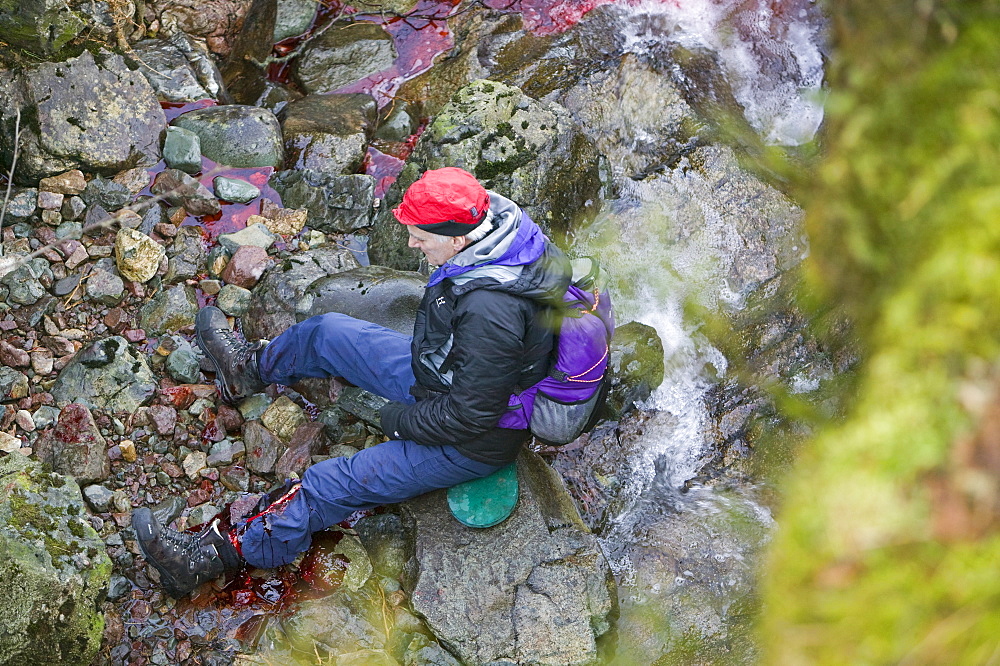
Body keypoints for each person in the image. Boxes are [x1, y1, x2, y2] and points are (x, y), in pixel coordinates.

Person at [131, 167, 573, 598]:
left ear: (457, 237)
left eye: (421, 236)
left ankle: (210, 557)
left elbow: (472, 414)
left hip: (475, 438)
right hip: (442, 374)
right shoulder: (501, 235)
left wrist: (398, 421)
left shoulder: (490, 311)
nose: (411, 243)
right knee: (326, 333)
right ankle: (248, 369)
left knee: (327, 486)